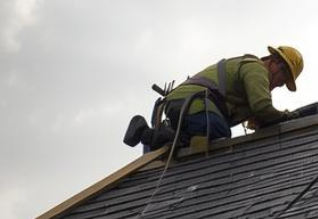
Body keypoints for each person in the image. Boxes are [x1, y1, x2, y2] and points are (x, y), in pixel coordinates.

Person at [122, 45, 305, 151]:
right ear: (275, 64)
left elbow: (257, 120)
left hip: (190, 105)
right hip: (193, 103)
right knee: (219, 131)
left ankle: (160, 136)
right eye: (282, 81)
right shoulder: (256, 69)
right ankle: (148, 134)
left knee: (201, 139)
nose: (278, 86)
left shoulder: (253, 78)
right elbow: (262, 107)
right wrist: (286, 117)